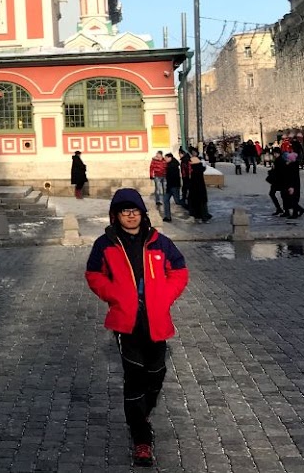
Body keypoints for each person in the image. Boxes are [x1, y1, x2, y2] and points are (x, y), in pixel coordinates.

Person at [85, 188, 189, 468]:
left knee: (156, 373)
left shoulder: (159, 242)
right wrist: (115, 295)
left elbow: (179, 270)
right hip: (126, 323)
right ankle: (141, 438)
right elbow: (94, 275)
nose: (130, 216)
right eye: (124, 212)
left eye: (135, 211)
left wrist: (165, 296)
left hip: (156, 320)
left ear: (143, 214)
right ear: (115, 216)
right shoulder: (105, 244)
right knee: (134, 376)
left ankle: (142, 412)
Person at [187, 156, 211, 223]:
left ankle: (199, 217)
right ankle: (204, 217)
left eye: (190, 161)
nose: (189, 163)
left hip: (196, 190)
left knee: (197, 204)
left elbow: (193, 181)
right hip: (201, 190)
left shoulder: (195, 170)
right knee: (202, 204)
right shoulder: (199, 168)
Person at [282, 151, 304, 218]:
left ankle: (296, 212)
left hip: (293, 185)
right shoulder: (292, 165)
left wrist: (291, 186)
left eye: (288, 159)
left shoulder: (292, 166)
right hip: (294, 184)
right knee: (292, 199)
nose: (287, 160)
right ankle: (298, 211)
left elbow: (292, 177)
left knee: (293, 200)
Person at [162, 153, 183, 223]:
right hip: (170, 186)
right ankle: (167, 217)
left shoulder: (173, 165)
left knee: (177, 201)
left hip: (174, 186)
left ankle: (191, 208)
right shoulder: (171, 164)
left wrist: (170, 186)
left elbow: (172, 178)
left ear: (169, 158)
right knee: (165, 200)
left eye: (166, 158)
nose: (165, 160)